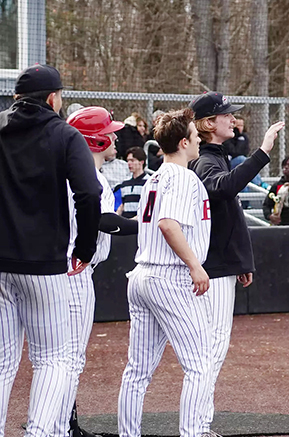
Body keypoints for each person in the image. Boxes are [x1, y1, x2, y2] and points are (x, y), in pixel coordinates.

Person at [0, 64, 102, 437]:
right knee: (55, 357)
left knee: (2, 361)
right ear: (52, 98)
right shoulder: (63, 133)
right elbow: (89, 194)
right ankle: (38, 433)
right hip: (44, 265)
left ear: (16, 98)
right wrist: (85, 248)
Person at [188, 91, 285, 432]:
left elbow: (226, 211)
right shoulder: (204, 160)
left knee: (211, 350)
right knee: (210, 351)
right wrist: (263, 152)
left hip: (218, 266)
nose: (233, 119)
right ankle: (197, 426)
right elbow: (225, 189)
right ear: (209, 123)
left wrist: (240, 260)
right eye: (226, 115)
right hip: (210, 270)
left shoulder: (214, 155)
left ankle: (199, 423)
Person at [117, 108, 213, 437]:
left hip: (143, 274)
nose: (199, 139)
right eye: (195, 135)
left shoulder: (155, 176)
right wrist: (195, 265)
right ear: (183, 142)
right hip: (168, 277)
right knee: (200, 365)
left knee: (138, 370)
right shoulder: (181, 176)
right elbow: (168, 224)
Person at [57, 106, 139, 437]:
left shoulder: (62, 171)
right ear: (95, 139)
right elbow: (104, 220)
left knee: (55, 357)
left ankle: (63, 423)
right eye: (109, 132)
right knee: (69, 359)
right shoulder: (90, 176)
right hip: (75, 271)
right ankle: (61, 426)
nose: (115, 136)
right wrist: (142, 226)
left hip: (54, 269)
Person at [114, 146, 150, 218]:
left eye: (132, 160)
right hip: (126, 221)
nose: (129, 163)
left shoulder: (149, 182)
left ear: (141, 162)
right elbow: (123, 204)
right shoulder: (125, 183)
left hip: (140, 222)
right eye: (128, 161)